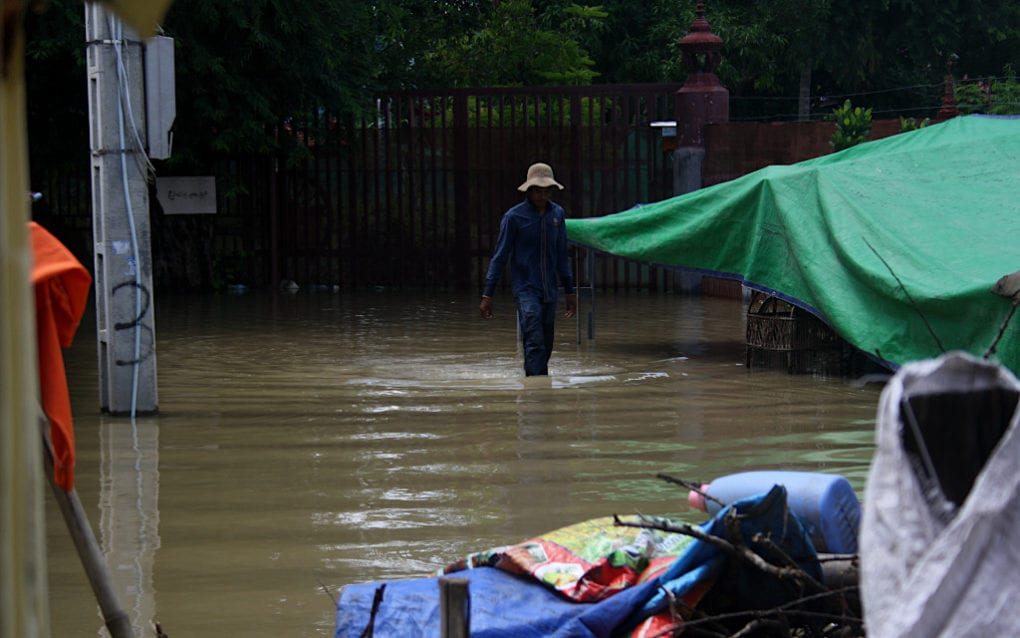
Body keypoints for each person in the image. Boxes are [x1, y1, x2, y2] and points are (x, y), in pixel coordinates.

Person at [480, 162, 577, 376]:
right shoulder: (514, 217)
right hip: (526, 288)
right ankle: (536, 390)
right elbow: (500, 256)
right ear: (529, 190)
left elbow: (562, 255)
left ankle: (539, 384)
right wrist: (488, 294)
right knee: (534, 338)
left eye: (546, 192)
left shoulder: (557, 215)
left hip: (550, 288)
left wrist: (570, 291)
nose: (542, 196)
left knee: (547, 340)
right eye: (537, 192)